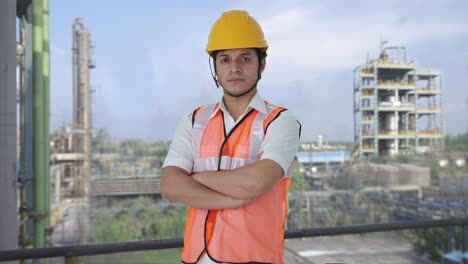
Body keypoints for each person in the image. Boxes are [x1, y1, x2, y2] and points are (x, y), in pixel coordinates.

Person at [161, 10, 301, 264]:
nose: (234, 68)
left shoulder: (280, 121)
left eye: (245, 58)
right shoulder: (194, 121)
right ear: (214, 65)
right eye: (225, 59)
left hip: (254, 258)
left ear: (262, 64)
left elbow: (256, 183)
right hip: (196, 258)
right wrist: (235, 199)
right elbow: (170, 186)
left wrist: (196, 178)